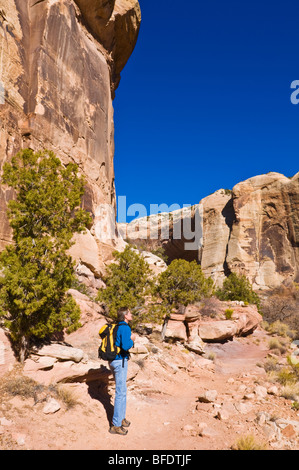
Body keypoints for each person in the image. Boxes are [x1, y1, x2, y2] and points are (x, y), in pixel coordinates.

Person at [109, 307, 136, 435]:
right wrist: (133, 339)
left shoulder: (115, 326)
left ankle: (121, 418)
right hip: (120, 361)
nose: (131, 314)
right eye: (129, 313)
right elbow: (126, 345)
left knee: (122, 390)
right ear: (125, 315)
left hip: (113, 361)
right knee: (120, 392)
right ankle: (115, 425)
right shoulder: (125, 327)